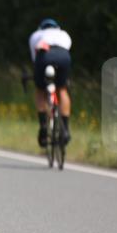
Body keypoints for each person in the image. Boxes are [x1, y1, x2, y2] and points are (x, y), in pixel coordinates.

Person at [28, 18, 73, 146]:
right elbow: (67, 51)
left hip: (44, 55)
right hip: (63, 56)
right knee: (62, 89)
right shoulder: (64, 34)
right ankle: (65, 129)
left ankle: (43, 127)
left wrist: (37, 76)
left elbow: (34, 59)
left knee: (40, 90)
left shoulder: (36, 35)